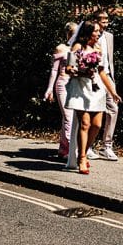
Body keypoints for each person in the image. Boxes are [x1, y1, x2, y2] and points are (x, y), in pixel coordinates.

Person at [64, 22, 121, 174]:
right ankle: (82, 157)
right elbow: (68, 69)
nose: (98, 33)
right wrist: (82, 71)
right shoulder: (77, 47)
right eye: (96, 31)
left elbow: (102, 72)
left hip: (96, 90)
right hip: (80, 90)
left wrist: (112, 91)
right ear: (88, 32)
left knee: (96, 125)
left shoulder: (98, 49)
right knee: (85, 123)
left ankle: (86, 148)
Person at [44, 22, 77, 158]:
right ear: (68, 33)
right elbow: (54, 70)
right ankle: (72, 149)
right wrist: (49, 89)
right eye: (73, 33)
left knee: (70, 117)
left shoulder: (78, 48)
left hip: (75, 84)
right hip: (62, 83)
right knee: (69, 116)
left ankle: (63, 149)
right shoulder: (61, 48)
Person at [92, 10, 120, 161]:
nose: (105, 23)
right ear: (94, 20)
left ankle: (106, 146)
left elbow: (109, 60)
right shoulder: (87, 34)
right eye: (101, 20)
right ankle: (88, 145)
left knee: (113, 108)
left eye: (106, 20)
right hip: (92, 77)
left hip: (106, 76)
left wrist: (111, 80)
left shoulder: (109, 37)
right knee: (91, 111)